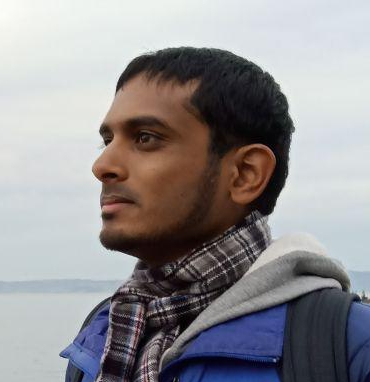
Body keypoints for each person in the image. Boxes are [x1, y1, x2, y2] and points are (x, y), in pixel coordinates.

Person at [60, 47, 370, 382]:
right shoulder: (104, 334)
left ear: (245, 174)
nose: (102, 166)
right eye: (107, 140)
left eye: (145, 138)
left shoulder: (348, 345)